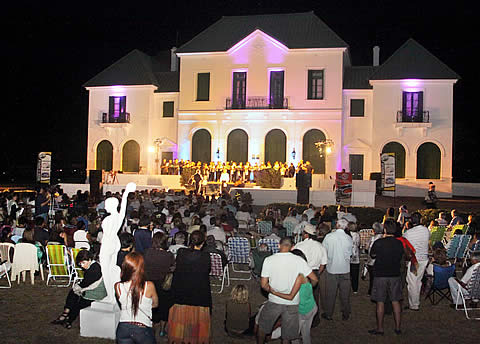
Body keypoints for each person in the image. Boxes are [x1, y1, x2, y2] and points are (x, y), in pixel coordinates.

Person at [257, 237, 318, 344]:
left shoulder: (269, 260)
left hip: (274, 300)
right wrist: (307, 288)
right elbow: (314, 279)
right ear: (292, 247)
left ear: (278, 245)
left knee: (263, 327)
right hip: (292, 303)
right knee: (287, 335)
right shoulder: (299, 260)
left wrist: (271, 290)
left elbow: (263, 285)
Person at [168, 230, 211, 344]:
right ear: (202, 243)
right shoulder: (205, 257)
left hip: (182, 291)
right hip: (197, 292)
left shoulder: (182, 253)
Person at [51, 250, 106, 329]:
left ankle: (68, 318)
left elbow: (85, 284)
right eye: (80, 264)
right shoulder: (94, 266)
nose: (82, 265)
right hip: (92, 289)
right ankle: (66, 315)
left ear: (89, 260)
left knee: (77, 303)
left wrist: (78, 287)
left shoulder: (94, 269)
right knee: (73, 294)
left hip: (95, 294)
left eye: (83, 263)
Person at [368, 219, 404, 336]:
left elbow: (372, 254)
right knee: (395, 301)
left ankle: (380, 328)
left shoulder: (379, 242)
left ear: (385, 229)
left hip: (380, 275)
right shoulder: (399, 243)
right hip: (395, 274)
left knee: (380, 301)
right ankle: (398, 327)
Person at [115, 252, 158, 344]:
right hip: (142, 328)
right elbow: (155, 304)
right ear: (141, 268)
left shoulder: (118, 286)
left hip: (123, 328)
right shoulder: (149, 286)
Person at [293, 223, 327, 326]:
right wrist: (317, 274)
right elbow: (323, 264)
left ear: (306, 234)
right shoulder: (320, 246)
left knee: (300, 296)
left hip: (302, 273)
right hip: (315, 272)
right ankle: (314, 320)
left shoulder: (299, 245)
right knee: (315, 296)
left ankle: (299, 318)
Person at [144, 232, 175, 338]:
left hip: (149, 284)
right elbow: (172, 267)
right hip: (163, 285)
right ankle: (162, 330)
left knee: (151, 307)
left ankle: (151, 328)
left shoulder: (147, 253)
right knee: (164, 307)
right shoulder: (168, 255)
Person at [321, 219, 353, 321]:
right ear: (346, 227)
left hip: (332, 268)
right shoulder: (348, 238)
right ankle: (346, 313)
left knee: (330, 293)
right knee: (345, 293)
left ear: (337, 225)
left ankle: (329, 313)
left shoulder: (329, 237)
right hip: (345, 269)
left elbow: (323, 251)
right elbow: (350, 253)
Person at [403, 212, 430, 311]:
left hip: (415, 260)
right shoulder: (426, 230)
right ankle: (415, 301)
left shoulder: (408, 233)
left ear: (411, 220)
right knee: (417, 281)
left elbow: (404, 244)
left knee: (412, 282)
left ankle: (414, 305)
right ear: (421, 219)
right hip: (424, 259)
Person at [366, 222, 384, 295]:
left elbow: (367, 248)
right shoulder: (384, 237)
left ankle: (371, 291)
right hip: (382, 261)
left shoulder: (372, 238)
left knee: (372, 278)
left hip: (372, 261)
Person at [348, 222, 360, 294]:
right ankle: (355, 288)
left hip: (349, 255)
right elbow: (358, 244)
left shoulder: (347, 235)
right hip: (356, 255)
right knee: (355, 274)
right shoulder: (357, 235)